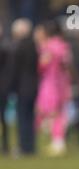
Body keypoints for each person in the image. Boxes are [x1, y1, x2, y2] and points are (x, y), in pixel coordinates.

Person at [35, 20, 72, 157]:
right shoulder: (64, 46)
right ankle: (58, 141)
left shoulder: (49, 47)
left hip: (49, 83)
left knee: (46, 111)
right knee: (59, 113)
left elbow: (42, 65)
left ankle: (56, 142)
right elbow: (66, 66)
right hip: (62, 83)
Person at [10, 18, 39, 155]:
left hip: (22, 87)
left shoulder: (19, 47)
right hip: (33, 86)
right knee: (30, 117)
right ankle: (31, 146)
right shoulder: (34, 45)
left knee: (22, 117)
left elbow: (15, 70)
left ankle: (23, 147)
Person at [0, 22, 10, 155]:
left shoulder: (4, 49)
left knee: (3, 117)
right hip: (3, 87)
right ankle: (5, 144)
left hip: (2, 88)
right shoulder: (7, 48)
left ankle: (5, 145)